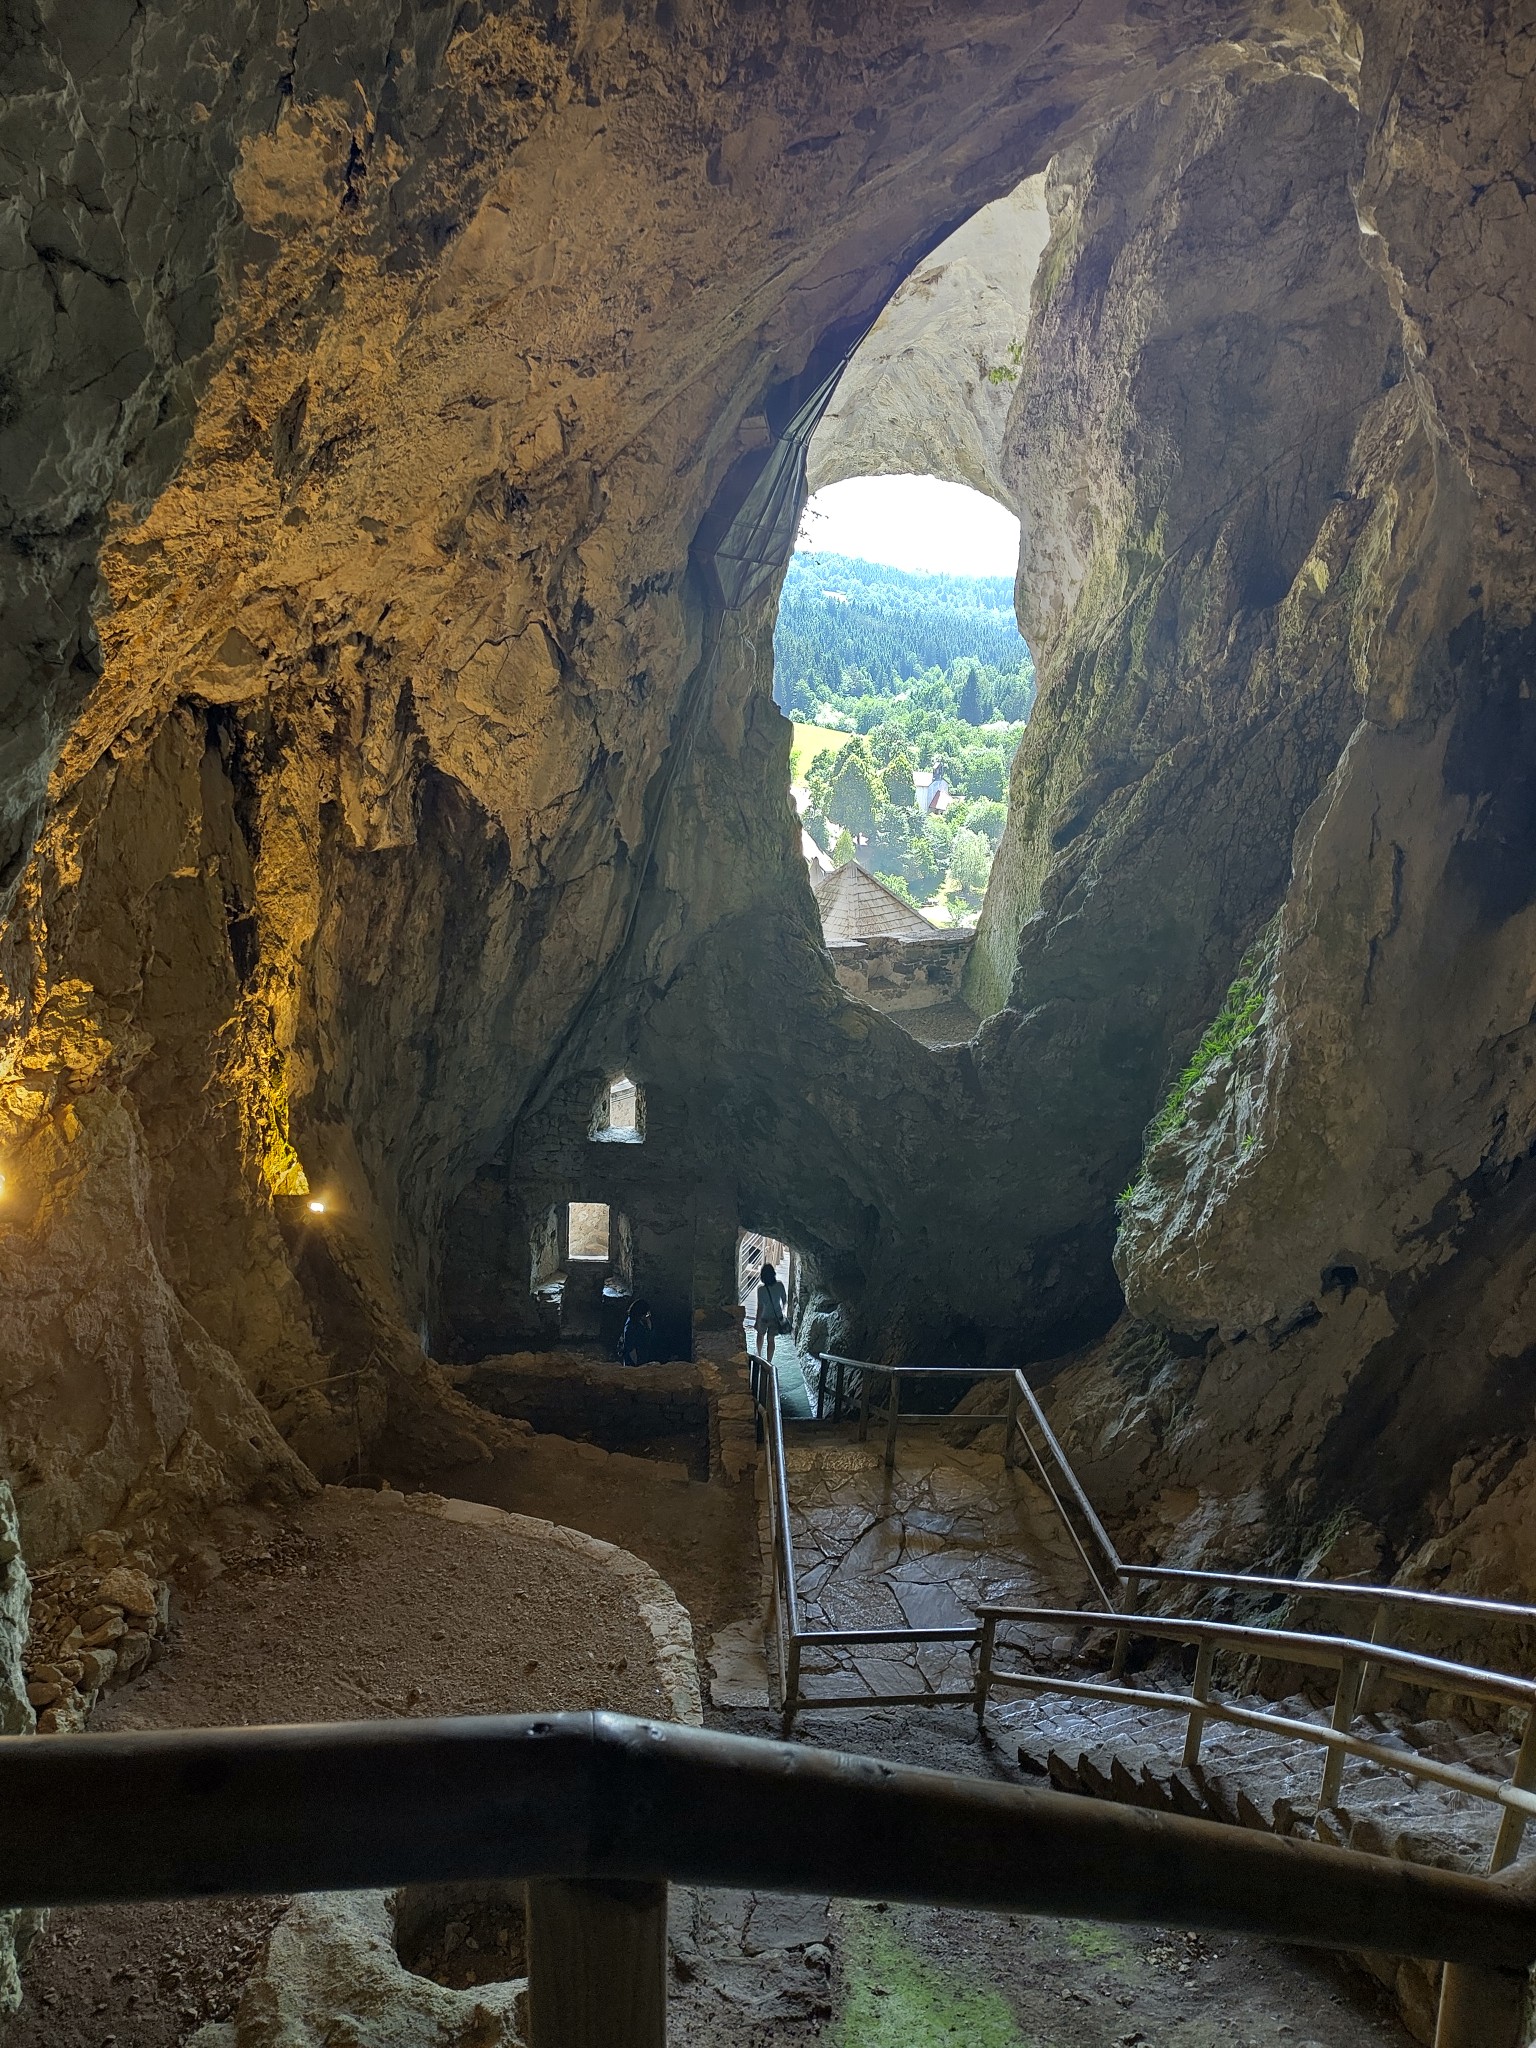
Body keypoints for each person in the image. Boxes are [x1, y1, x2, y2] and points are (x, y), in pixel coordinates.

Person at [754, 1262, 789, 1364]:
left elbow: (760, 1307)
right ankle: (769, 1361)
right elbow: (784, 1300)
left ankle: (759, 1355)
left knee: (760, 1335)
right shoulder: (779, 1285)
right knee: (771, 1339)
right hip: (776, 1317)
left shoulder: (761, 1289)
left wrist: (757, 1321)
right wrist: (781, 1310)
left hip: (764, 1317)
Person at [618, 1298, 652, 1367]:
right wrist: (637, 1364)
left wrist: (647, 1320)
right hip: (633, 1360)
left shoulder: (638, 1321)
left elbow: (648, 1332)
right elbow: (630, 1348)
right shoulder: (631, 1326)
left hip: (641, 1354)